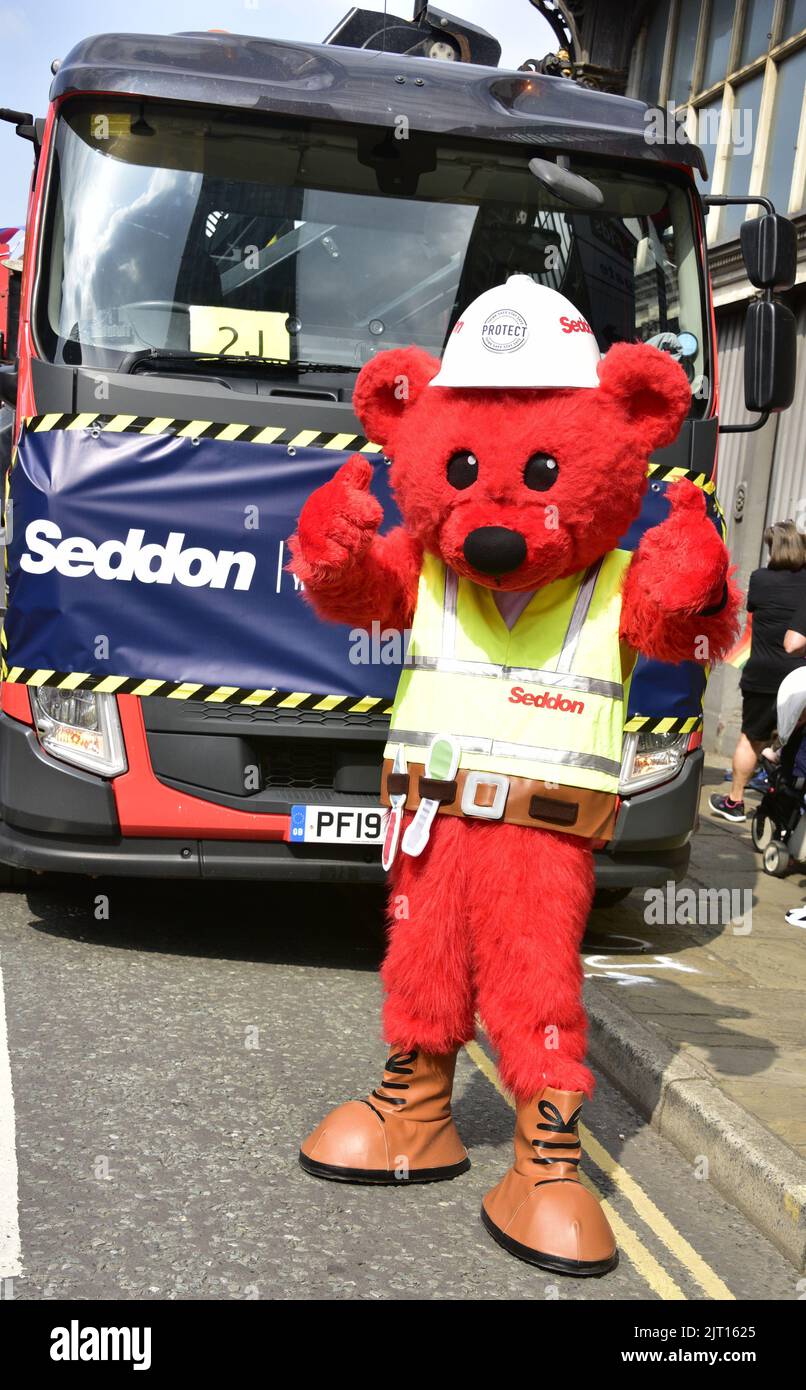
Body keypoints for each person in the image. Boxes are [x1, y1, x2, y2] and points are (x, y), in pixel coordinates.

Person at [710, 520, 806, 823]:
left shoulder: (760, 579)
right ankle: (787, 804)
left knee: (751, 738)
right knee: (794, 741)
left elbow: (752, 610)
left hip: (762, 675)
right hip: (798, 677)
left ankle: (735, 802)